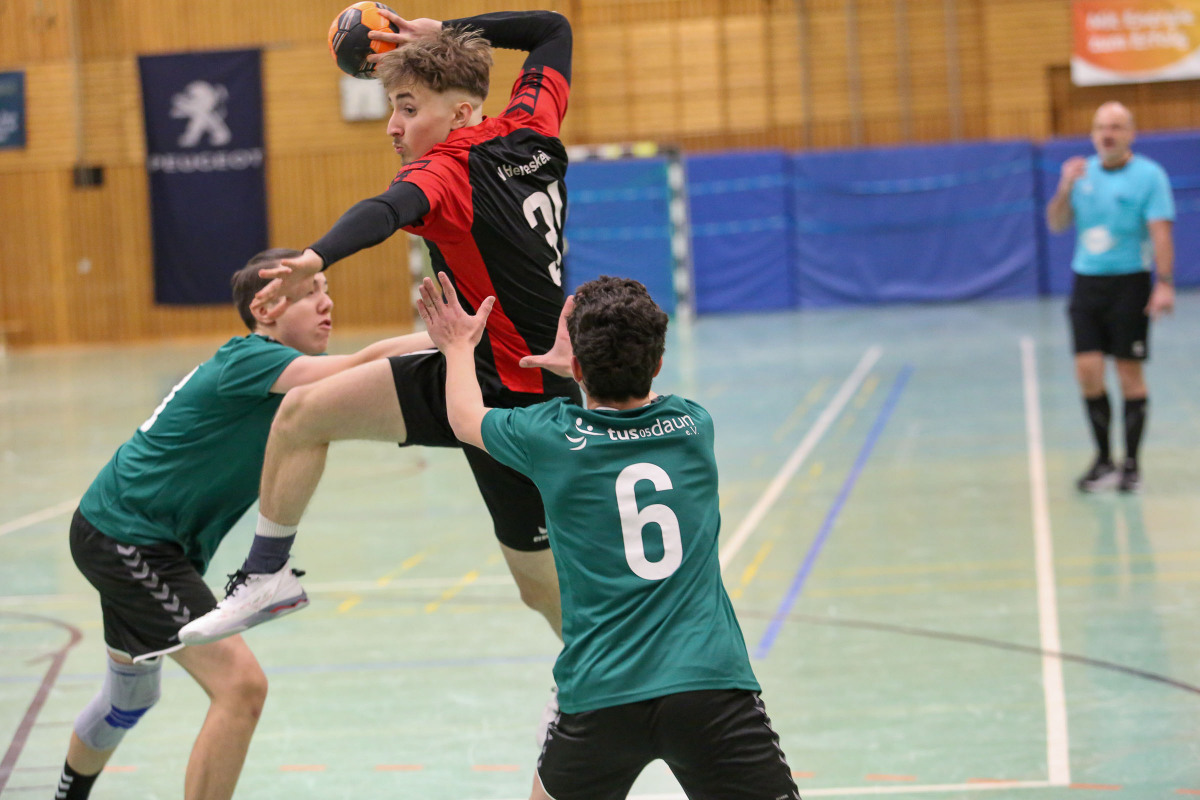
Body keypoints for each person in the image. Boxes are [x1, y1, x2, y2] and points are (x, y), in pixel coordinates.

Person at [180, 10, 578, 644]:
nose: (394, 125)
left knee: (541, 588)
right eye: (394, 106)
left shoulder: (447, 170)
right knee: (302, 413)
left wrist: (318, 256)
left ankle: (590, 675)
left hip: (523, 403)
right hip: (464, 366)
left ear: (460, 113)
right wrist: (444, 30)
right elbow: (552, 29)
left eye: (408, 108)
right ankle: (266, 575)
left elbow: (385, 210)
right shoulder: (531, 124)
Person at [56, 248, 433, 800]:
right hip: (127, 538)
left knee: (130, 698)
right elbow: (364, 364)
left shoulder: (282, 377)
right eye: (310, 293)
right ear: (266, 310)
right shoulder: (251, 358)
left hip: (133, 537)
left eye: (327, 291)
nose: (327, 304)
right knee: (241, 687)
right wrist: (448, 335)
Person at [417, 272, 802, 800]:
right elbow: (637, 400)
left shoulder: (549, 435)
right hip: (709, 683)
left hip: (601, 692)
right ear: (658, 362)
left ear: (578, 367)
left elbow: (465, 418)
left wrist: (459, 347)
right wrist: (585, 367)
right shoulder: (694, 426)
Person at [1046, 101, 1175, 493]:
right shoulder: (1081, 174)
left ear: (1130, 134)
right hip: (1087, 284)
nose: (1108, 134)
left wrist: (1164, 282)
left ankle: (1131, 465)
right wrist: (1064, 188)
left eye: (1116, 127)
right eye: (1101, 127)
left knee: (1128, 373)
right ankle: (1103, 460)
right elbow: (1056, 223)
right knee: (1087, 371)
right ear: (1092, 133)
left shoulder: (1149, 175)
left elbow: (1161, 232)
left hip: (1129, 283)